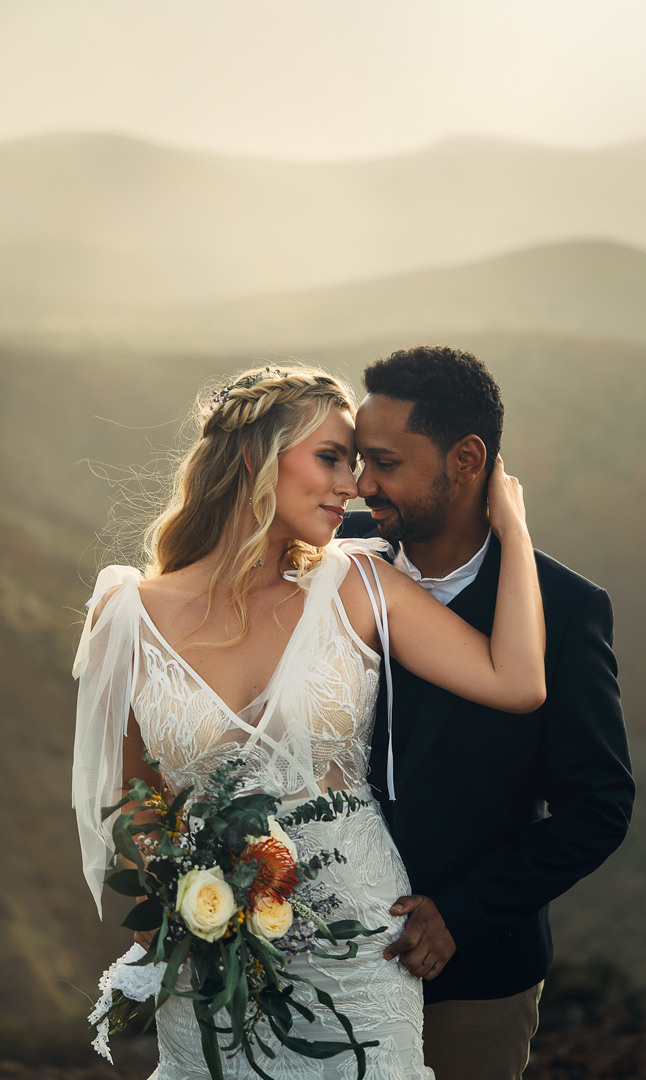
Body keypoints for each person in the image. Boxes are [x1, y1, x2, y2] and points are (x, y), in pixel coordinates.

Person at [72, 363, 546, 1080]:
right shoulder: (128, 615)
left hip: (360, 948)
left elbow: (516, 681)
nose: (352, 487)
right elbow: (133, 805)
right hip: (211, 954)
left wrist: (512, 527)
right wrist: (193, 893)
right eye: (330, 458)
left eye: (354, 465)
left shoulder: (358, 585)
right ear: (252, 457)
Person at [341, 345, 635, 1080]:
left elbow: (597, 807)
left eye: (384, 462)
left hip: (472, 986)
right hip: (320, 964)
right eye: (356, 460)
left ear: (467, 460)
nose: (360, 484)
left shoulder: (566, 610)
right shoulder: (328, 559)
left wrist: (461, 912)